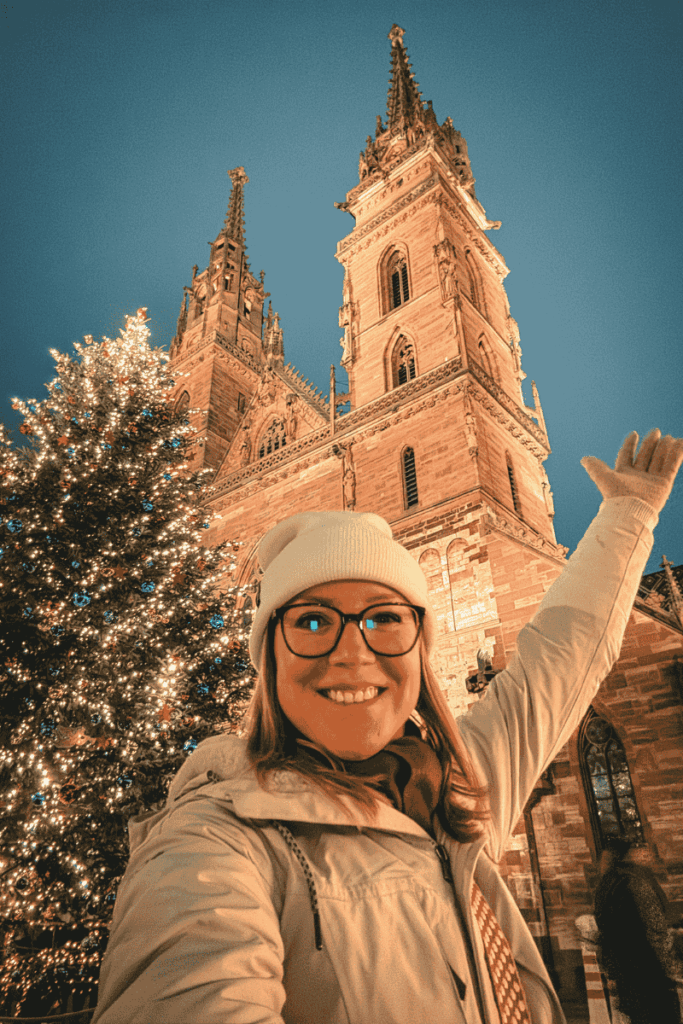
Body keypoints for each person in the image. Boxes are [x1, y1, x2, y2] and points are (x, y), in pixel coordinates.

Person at [92, 429, 683, 1024]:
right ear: (269, 657)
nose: (353, 652)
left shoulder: (460, 794)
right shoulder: (211, 845)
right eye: (315, 622)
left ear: (419, 651)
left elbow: (560, 659)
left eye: (383, 619)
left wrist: (629, 512)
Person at [594, 837, 683, 1024]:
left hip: (627, 976)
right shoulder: (634, 882)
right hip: (651, 975)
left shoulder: (604, 886)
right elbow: (654, 929)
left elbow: (604, 930)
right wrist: (669, 966)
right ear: (627, 855)